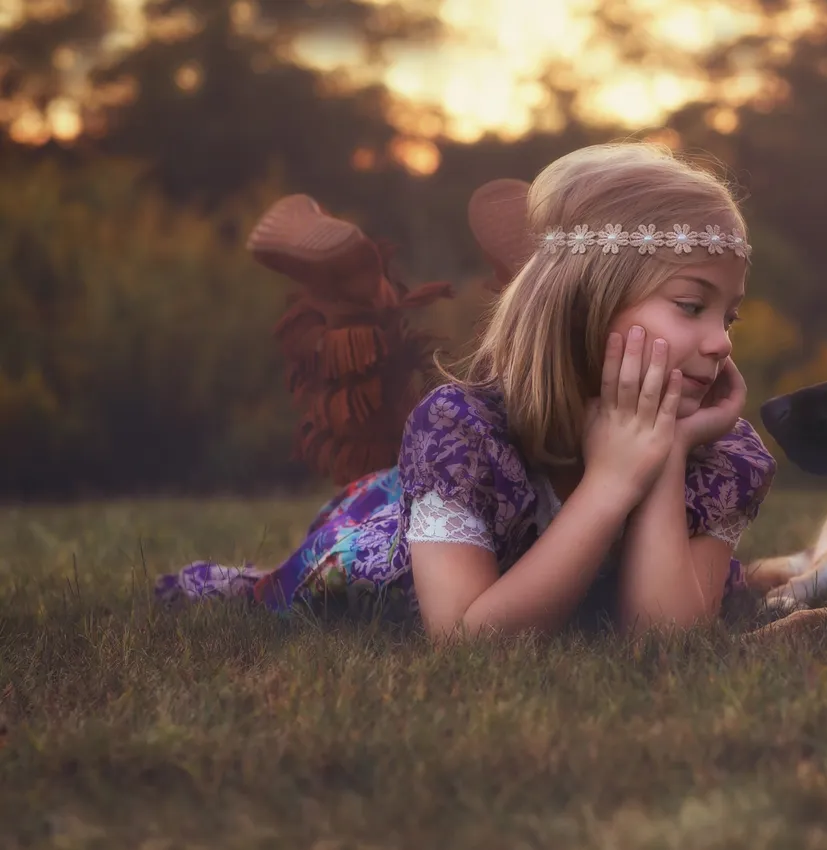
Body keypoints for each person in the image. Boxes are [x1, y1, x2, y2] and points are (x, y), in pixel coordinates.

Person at [154, 142, 778, 641]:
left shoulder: (723, 455)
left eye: (729, 317)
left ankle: (532, 264)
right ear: (590, 302)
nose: (722, 343)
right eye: (692, 305)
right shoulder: (460, 431)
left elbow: (666, 638)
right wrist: (612, 482)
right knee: (276, 587)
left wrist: (661, 456)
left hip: (543, 424)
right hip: (394, 533)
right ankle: (363, 299)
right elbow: (468, 643)